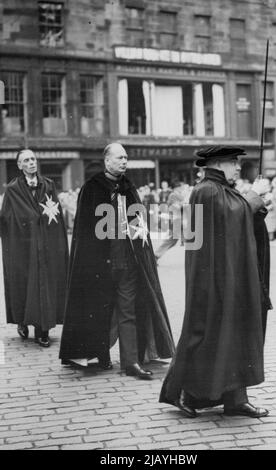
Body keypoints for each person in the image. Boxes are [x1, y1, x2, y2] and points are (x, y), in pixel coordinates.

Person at [160, 145, 271, 418]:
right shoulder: (207, 190)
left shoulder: (220, 189)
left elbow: (236, 215)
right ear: (219, 163)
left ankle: (236, 398)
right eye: (235, 163)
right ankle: (182, 393)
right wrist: (254, 197)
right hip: (213, 279)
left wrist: (252, 204)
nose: (238, 168)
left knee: (234, 334)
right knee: (205, 335)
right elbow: (233, 216)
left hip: (227, 275)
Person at [59, 143, 175, 379]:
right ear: (107, 161)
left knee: (128, 310)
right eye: (119, 157)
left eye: (126, 157)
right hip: (100, 264)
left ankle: (130, 362)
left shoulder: (129, 187)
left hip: (128, 262)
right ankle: (99, 354)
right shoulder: (92, 189)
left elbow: (139, 227)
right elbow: (86, 232)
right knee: (98, 310)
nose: (124, 161)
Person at [0, 149, 69, 347]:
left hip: (45, 245)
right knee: (23, 283)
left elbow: (55, 215)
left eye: (33, 159)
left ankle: (43, 330)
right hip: (24, 246)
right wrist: (26, 221)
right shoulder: (13, 189)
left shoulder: (48, 185)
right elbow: (6, 218)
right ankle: (22, 321)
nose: (31, 163)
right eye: (26, 160)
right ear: (20, 166)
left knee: (44, 285)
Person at [155, 181, 185, 262]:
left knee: (173, 240)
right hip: (176, 219)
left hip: (180, 219)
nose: (182, 188)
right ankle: (156, 255)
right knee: (172, 240)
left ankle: (156, 255)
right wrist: (185, 204)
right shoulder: (173, 195)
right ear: (176, 187)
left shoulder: (178, 195)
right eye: (181, 187)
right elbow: (176, 207)